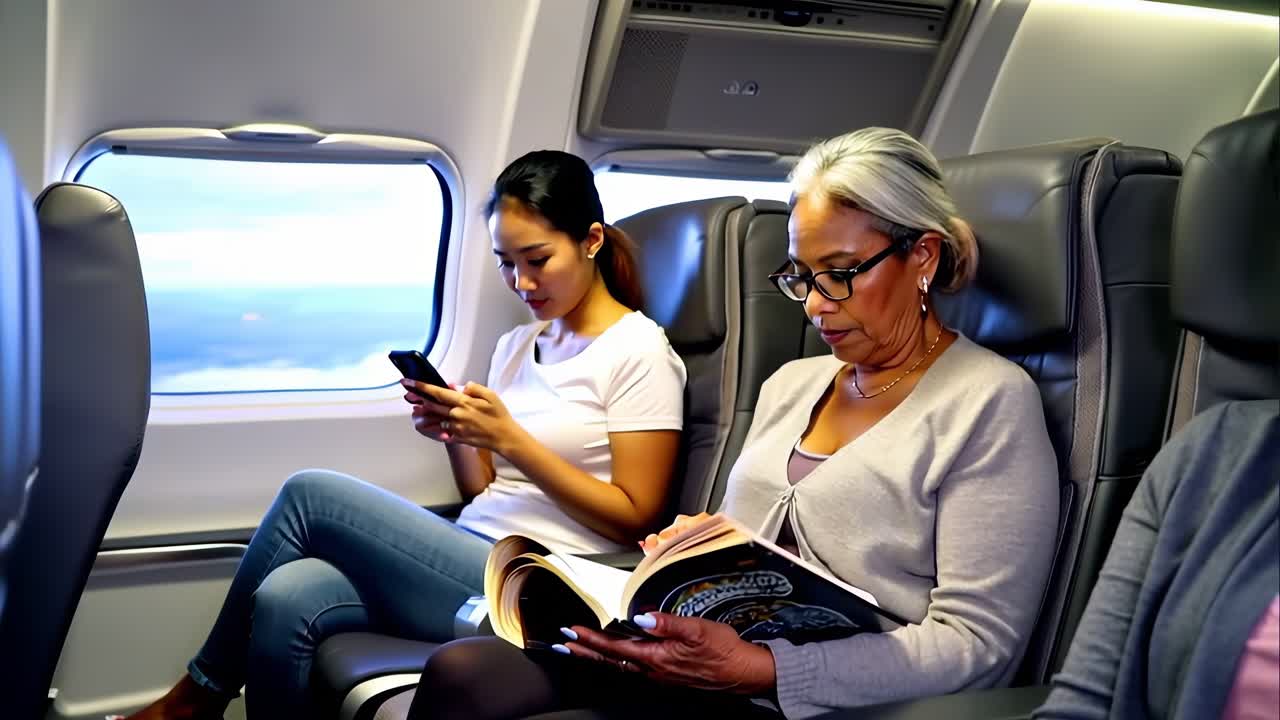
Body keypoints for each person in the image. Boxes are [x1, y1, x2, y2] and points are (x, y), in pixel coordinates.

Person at [408, 127, 1061, 720]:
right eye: (799, 277)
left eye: (837, 275)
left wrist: (764, 667)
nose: (812, 306)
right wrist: (689, 552)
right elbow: (745, 550)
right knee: (464, 673)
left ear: (922, 256)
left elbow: (979, 646)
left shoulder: (988, 403)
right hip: (707, 663)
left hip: (825, 696)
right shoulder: (792, 386)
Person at [125, 150, 688, 719]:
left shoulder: (639, 352)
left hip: (541, 585)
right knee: (287, 594)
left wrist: (510, 438)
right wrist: (458, 434)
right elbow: (484, 492)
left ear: (591, 240)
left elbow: (637, 514)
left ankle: (196, 698)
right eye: (505, 262)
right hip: (472, 553)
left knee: (310, 494)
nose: (521, 281)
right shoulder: (518, 344)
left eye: (537, 259)